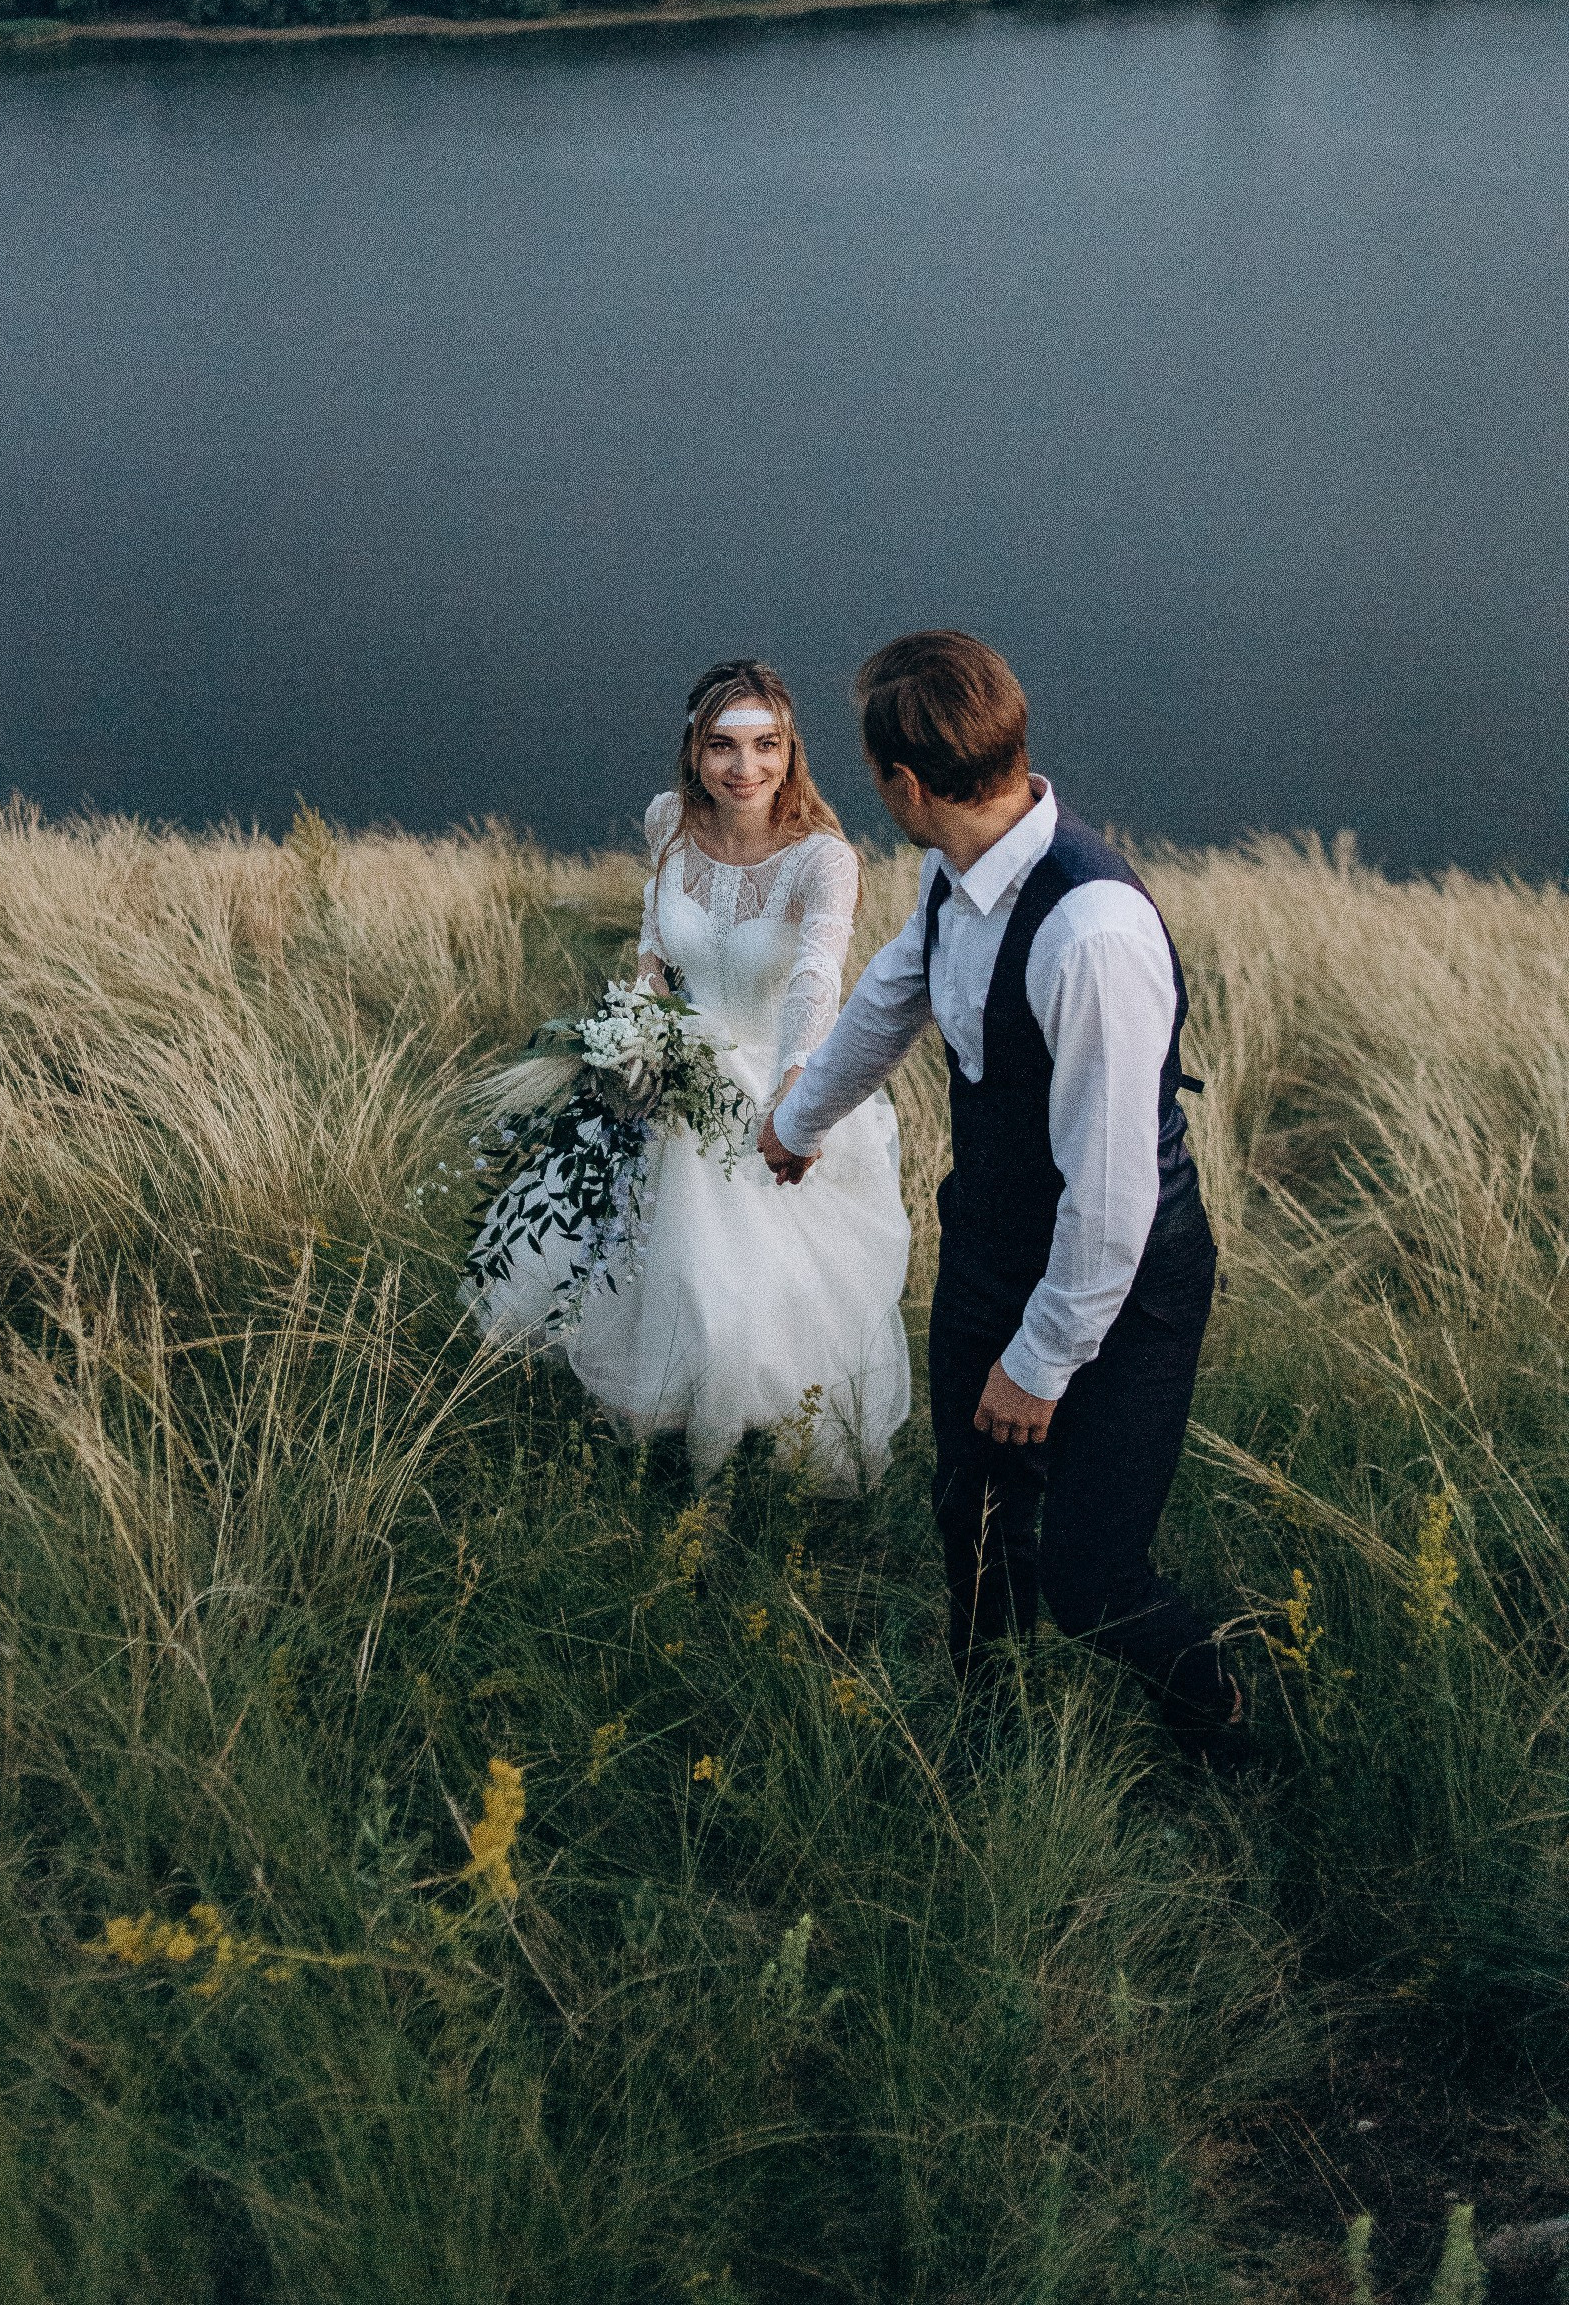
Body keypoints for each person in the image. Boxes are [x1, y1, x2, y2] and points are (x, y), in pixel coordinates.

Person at [760, 630, 1242, 1752]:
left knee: (1089, 1577)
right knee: (972, 1522)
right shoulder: (955, 866)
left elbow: (1111, 1200)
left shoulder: (1091, 933)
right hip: (989, 1245)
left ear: (906, 784)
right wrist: (796, 1122)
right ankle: (989, 1738)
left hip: (1125, 1288)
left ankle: (1218, 1712)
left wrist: (1039, 1362)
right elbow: (893, 993)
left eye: (873, 775)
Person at [474, 660, 912, 1494]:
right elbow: (655, 942)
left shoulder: (823, 859)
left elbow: (816, 978)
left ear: (791, 750)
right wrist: (639, 1032)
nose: (746, 768)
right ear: (694, 751)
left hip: (769, 1083)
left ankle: (744, 1466)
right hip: (666, 1077)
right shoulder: (669, 821)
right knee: (655, 1275)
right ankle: (665, 1453)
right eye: (723, 746)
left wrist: (794, 1086)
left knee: (740, 1289)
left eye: (766, 745)